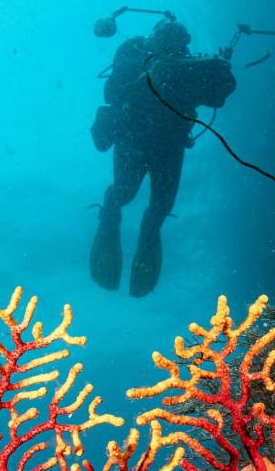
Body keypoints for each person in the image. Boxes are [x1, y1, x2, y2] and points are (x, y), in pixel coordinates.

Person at [89, 18, 236, 297]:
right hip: (134, 136)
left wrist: (220, 73)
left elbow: (219, 95)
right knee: (124, 192)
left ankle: (148, 237)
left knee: (161, 203)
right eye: (165, 35)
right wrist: (150, 72)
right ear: (154, 35)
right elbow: (112, 91)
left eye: (178, 39)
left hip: (170, 144)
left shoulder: (190, 66)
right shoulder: (133, 50)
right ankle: (109, 222)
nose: (171, 42)